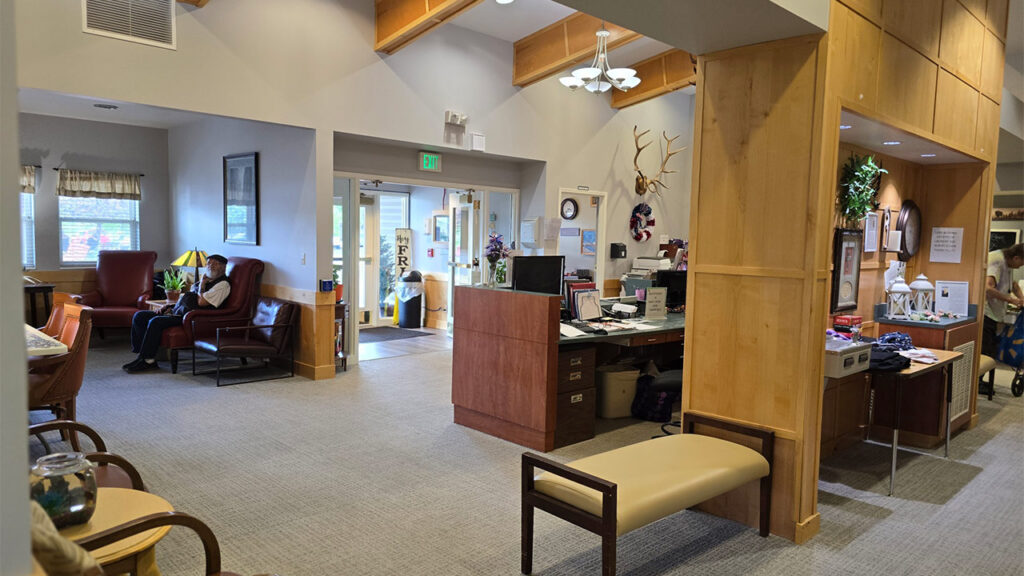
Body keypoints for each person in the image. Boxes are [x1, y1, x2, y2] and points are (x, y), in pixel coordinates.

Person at [123, 254, 231, 373]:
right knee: (140, 316)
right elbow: (188, 300)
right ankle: (142, 356)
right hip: (180, 313)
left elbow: (201, 302)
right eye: (209, 263)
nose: (210, 266)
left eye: (215, 264)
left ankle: (148, 360)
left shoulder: (223, 285)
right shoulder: (207, 281)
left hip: (195, 318)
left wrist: (201, 285)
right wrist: (170, 306)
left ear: (223, 267)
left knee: (156, 321)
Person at [982, 243, 1024, 359]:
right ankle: (978, 377)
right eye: (1022, 263)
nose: (1021, 266)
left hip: (995, 314)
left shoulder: (1008, 262)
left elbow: (1013, 285)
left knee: (992, 350)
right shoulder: (997, 260)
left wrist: (1021, 298)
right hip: (986, 313)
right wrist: (1011, 300)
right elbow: (988, 288)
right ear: (1016, 258)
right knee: (985, 352)